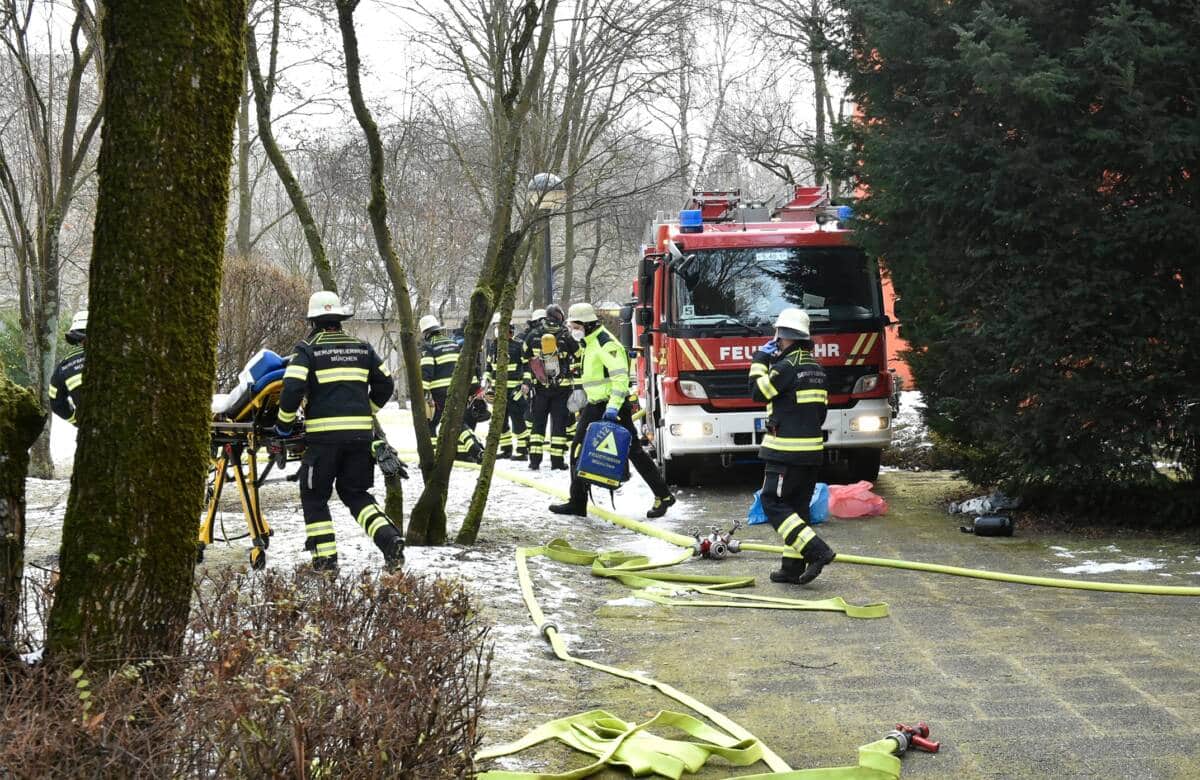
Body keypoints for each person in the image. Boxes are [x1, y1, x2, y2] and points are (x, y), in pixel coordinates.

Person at [275, 291, 405, 572]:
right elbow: (386, 386)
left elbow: (292, 390)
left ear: (314, 322)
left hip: (323, 441)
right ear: (340, 320)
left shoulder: (307, 350)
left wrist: (283, 425)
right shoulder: (363, 348)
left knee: (315, 496)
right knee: (355, 493)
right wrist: (366, 411)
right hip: (360, 438)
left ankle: (326, 561)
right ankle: (390, 539)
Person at [550, 302, 676, 519]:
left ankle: (663, 495)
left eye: (575, 326)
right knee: (578, 449)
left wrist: (612, 409)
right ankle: (577, 502)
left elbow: (620, 379)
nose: (572, 330)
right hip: (596, 405)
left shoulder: (605, 343)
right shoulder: (590, 343)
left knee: (633, 452)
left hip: (611, 406)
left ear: (587, 325)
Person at [748, 308, 836, 585]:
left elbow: (756, 391)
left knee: (772, 502)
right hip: (811, 453)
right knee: (798, 509)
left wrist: (760, 359)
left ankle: (817, 551)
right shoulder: (817, 368)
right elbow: (819, 413)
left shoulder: (786, 366)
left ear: (783, 336)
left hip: (785, 451)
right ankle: (791, 567)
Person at [521, 304, 577, 470]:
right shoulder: (566, 336)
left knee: (537, 424)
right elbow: (579, 355)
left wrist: (528, 380)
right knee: (559, 425)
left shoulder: (533, 335)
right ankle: (557, 462)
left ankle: (534, 461)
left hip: (539, 389)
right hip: (561, 389)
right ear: (560, 318)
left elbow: (525, 360)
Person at [419, 314, 481, 461]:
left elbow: (426, 371)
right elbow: (466, 367)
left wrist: (423, 394)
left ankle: (431, 458)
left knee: (431, 424)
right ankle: (476, 450)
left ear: (425, 333)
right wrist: (474, 389)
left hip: (439, 394)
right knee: (458, 422)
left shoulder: (429, 347)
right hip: (458, 391)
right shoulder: (453, 344)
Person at [484, 312, 529, 460]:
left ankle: (523, 450)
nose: (497, 330)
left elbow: (527, 367)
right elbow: (489, 367)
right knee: (500, 421)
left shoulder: (518, 346)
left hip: (514, 391)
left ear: (509, 330)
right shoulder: (493, 346)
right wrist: (487, 381)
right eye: (496, 327)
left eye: (499, 327)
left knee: (518, 421)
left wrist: (525, 384)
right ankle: (506, 449)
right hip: (498, 392)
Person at [49, 309, 88, 425]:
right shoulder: (112, 353)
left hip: (92, 428)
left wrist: (77, 420)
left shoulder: (64, 366)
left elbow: (56, 402)